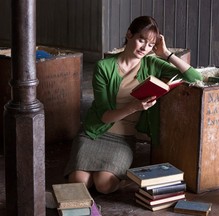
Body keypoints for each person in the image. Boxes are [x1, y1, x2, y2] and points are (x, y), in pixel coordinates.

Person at [64, 16, 203, 194]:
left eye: (151, 45)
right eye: (141, 40)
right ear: (129, 35)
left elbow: (195, 77)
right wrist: (134, 107)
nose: (145, 48)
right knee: (78, 183)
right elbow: (104, 115)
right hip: (94, 131)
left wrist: (166, 53)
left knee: (104, 185)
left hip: (123, 138)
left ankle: (120, 179)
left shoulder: (152, 63)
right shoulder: (104, 67)